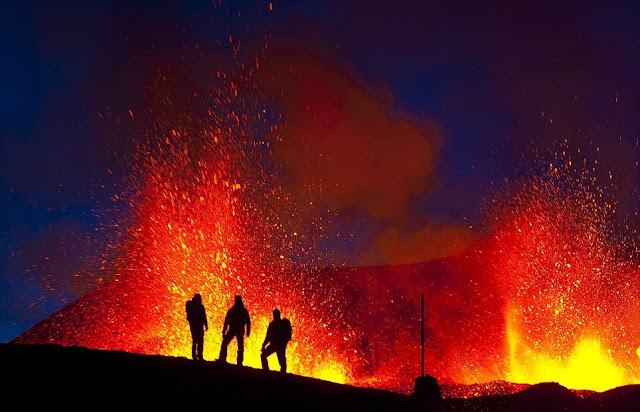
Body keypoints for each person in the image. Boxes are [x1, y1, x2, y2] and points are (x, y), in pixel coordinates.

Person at [218, 295, 251, 365]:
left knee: (226, 343)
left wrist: (224, 330)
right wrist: (248, 331)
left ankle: (222, 359)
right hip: (238, 329)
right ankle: (239, 362)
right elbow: (248, 321)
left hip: (234, 329)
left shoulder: (233, 310)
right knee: (240, 346)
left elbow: (227, 320)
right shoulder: (243, 311)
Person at [261, 308, 292, 373]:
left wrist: (264, 345)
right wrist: (264, 345)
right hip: (278, 346)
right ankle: (280, 375)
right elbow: (268, 336)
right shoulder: (275, 324)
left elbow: (268, 336)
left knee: (264, 356)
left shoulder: (275, 324)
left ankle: (267, 372)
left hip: (277, 345)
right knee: (282, 362)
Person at [185, 293, 208, 361]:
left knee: (197, 341)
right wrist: (206, 325)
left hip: (196, 326)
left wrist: (206, 325)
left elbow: (204, 316)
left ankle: (197, 356)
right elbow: (204, 317)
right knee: (197, 341)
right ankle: (197, 356)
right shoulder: (194, 306)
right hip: (196, 325)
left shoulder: (198, 306)